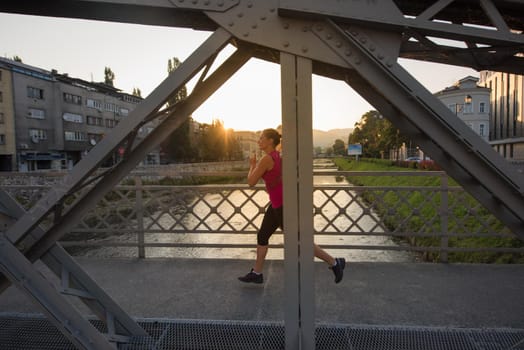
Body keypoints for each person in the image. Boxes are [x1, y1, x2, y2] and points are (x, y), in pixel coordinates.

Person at [238, 128, 346, 284]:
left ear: (270, 141)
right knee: (262, 236)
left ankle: (335, 262)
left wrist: (252, 165)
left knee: (299, 241)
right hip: (277, 204)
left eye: (261, 138)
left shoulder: (266, 159)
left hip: (282, 206)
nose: (258, 140)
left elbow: (251, 182)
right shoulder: (278, 156)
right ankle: (257, 273)